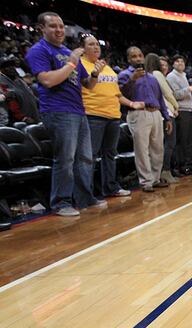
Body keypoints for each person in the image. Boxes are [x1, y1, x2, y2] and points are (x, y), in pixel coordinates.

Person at [26, 11, 107, 216]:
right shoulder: (39, 50)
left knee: (86, 158)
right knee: (65, 159)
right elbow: (47, 80)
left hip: (78, 110)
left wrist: (96, 73)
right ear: (41, 29)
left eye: (61, 26)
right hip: (58, 110)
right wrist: (71, 62)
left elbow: (87, 85)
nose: (59, 30)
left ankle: (84, 198)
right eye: (53, 26)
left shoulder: (67, 51)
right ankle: (61, 202)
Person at [80, 34, 141, 199]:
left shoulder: (107, 68)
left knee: (110, 154)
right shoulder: (80, 65)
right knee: (89, 156)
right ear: (82, 49)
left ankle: (110, 187)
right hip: (93, 115)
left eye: (97, 44)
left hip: (113, 115)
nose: (96, 47)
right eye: (91, 44)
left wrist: (131, 104)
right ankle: (87, 193)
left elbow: (117, 94)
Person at [118, 47, 173, 192]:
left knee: (158, 148)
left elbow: (160, 98)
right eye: (134, 56)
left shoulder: (152, 78)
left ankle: (155, 178)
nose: (137, 58)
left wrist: (167, 117)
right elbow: (121, 94)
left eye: (140, 55)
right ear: (129, 59)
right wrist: (132, 80)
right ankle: (146, 181)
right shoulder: (124, 75)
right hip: (138, 113)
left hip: (156, 113)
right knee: (142, 149)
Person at [145, 53, 179, 183]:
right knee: (169, 143)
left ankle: (157, 174)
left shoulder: (146, 75)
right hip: (166, 112)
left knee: (157, 146)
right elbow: (167, 93)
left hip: (155, 113)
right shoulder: (157, 74)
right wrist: (176, 106)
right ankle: (165, 171)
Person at [167, 55, 192, 176]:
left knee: (189, 139)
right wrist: (189, 90)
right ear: (173, 64)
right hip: (181, 110)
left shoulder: (183, 75)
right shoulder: (171, 76)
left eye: (182, 61)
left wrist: (191, 99)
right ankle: (181, 166)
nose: (180, 63)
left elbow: (183, 93)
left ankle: (189, 164)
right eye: (177, 61)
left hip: (188, 109)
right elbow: (175, 95)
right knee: (182, 140)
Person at [0, 55, 39, 125]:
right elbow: (11, 103)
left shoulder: (18, 79)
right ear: (1, 70)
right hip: (19, 122)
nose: (11, 68)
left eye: (12, 65)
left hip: (34, 115)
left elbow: (30, 94)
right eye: (7, 66)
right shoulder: (2, 82)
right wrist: (23, 118)